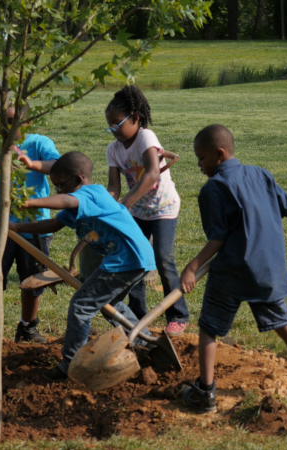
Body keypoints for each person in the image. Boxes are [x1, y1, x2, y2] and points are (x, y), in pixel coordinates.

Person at [180, 124, 287, 414]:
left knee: (210, 327)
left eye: (201, 158)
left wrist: (192, 267)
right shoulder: (261, 174)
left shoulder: (213, 188)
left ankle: (205, 393)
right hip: (266, 269)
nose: (199, 164)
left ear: (219, 154)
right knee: (284, 322)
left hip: (232, 271)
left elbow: (218, 238)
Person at [8, 151, 156, 381]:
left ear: (78, 179)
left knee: (80, 306)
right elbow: (53, 224)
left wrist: (28, 202)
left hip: (126, 259)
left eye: (60, 185)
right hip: (136, 258)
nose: (58, 191)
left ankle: (69, 365)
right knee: (110, 304)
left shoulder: (92, 193)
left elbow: (66, 200)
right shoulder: (76, 203)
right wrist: (16, 228)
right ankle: (146, 342)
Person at [0, 107, 61, 355]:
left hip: (34, 226)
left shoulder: (39, 142)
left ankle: (27, 328)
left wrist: (33, 163)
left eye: (12, 121)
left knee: (32, 280)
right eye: (2, 122)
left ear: (27, 121)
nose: (5, 127)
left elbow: (57, 166)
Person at [104, 85, 188, 336]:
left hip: (163, 209)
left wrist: (125, 204)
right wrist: (108, 208)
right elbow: (113, 187)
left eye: (118, 124)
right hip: (137, 212)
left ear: (135, 118)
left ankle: (179, 315)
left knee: (163, 260)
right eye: (110, 126)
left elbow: (152, 173)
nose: (114, 130)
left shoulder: (145, 137)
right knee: (135, 261)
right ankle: (138, 315)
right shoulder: (113, 150)